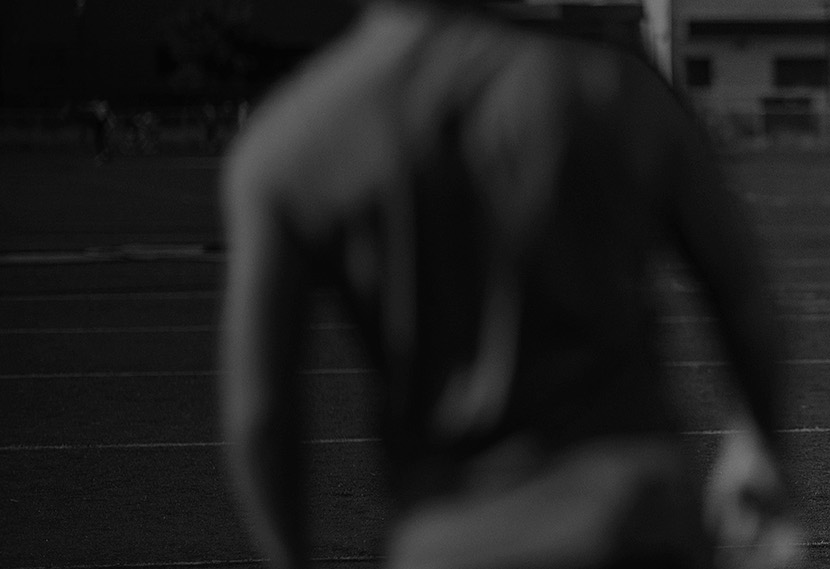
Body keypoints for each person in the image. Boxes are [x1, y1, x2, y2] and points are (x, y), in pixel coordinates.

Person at [218, 1, 799, 568]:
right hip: (629, 519)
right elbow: (747, 305)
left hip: (447, 538)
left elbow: (259, 418)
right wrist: (754, 450)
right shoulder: (607, 86)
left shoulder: (289, 141)